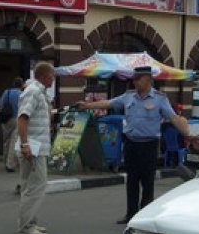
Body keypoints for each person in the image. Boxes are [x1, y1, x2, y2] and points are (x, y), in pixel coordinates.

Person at [76, 66, 190, 224]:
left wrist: (187, 134)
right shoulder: (128, 96)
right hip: (131, 144)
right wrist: (88, 106)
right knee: (132, 181)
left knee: (147, 182)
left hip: (149, 145)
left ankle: (144, 216)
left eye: (138, 79)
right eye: (134, 79)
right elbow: (109, 103)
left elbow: (174, 118)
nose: (135, 82)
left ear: (148, 80)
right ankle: (130, 214)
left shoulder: (160, 99)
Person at [16, 63, 55, 234]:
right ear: (45, 76)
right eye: (52, 75)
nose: (53, 79)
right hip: (33, 148)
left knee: (28, 186)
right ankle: (26, 226)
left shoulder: (39, 93)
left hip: (35, 146)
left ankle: (29, 222)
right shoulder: (34, 92)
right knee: (38, 185)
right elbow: (23, 118)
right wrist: (25, 145)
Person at [0, 78, 24, 173]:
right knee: (14, 141)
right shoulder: (22, 94)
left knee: (6, 141)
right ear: (21, 85)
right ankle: (10, 164)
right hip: (17, 119)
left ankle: (5, 162)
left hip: (5, 119)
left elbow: (0, 105)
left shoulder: (6, 92)